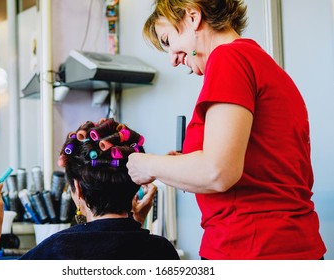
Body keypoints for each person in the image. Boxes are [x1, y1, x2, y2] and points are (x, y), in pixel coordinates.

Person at [126, 0, 326, 260]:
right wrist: (180, 166)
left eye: (167, 40)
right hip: (292, 245)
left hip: (250, 250)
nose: (172, 59)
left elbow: (218, 171)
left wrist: (147, 165)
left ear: (193, 17)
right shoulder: (261, 64)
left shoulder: (228, 57)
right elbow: (252, 168)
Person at [0, 118, 180, 260]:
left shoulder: (54, 253)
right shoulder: (162, 251)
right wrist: (134, 223)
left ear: (77, 189)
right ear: (135, 186)